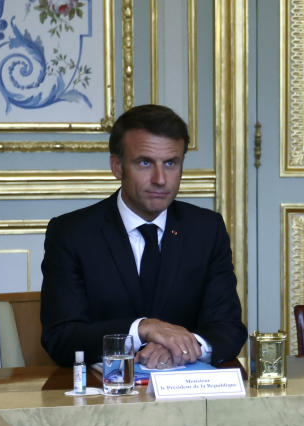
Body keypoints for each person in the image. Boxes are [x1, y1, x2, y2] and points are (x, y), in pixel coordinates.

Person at [40, 104, 247, 368]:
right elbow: (61, 338)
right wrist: (141, 330)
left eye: (171, 163)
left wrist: (179, 347)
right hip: (103, 400)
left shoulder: (206, 229)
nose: (160, 179)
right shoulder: (72, 233)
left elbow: (228, 329)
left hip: (188, 396)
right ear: (117, 167)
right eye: (145, 162)